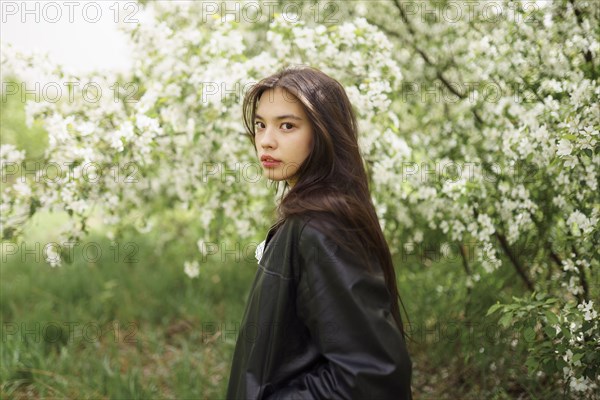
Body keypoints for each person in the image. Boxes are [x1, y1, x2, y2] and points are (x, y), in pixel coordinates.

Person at [226, 65, 413, 399]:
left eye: (287, 126)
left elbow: (372, 374)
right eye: (260, 124)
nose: (266, 141)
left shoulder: (322, 228)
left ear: (323, 132)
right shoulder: (308, 217)